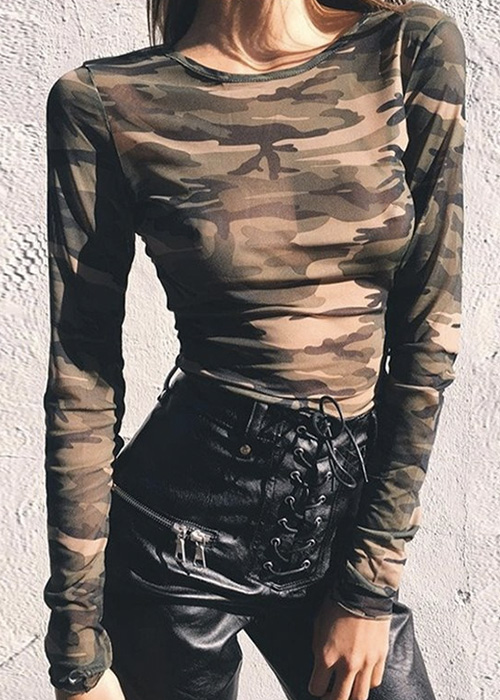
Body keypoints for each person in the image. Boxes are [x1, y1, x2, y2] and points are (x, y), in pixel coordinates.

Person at [41, 0, 466, 698]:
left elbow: (429, 337)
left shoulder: (406, 49)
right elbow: (81, 378)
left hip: (338, 524)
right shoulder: (104, 101)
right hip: (173, 547)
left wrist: (369, 587)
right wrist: (77, 649)